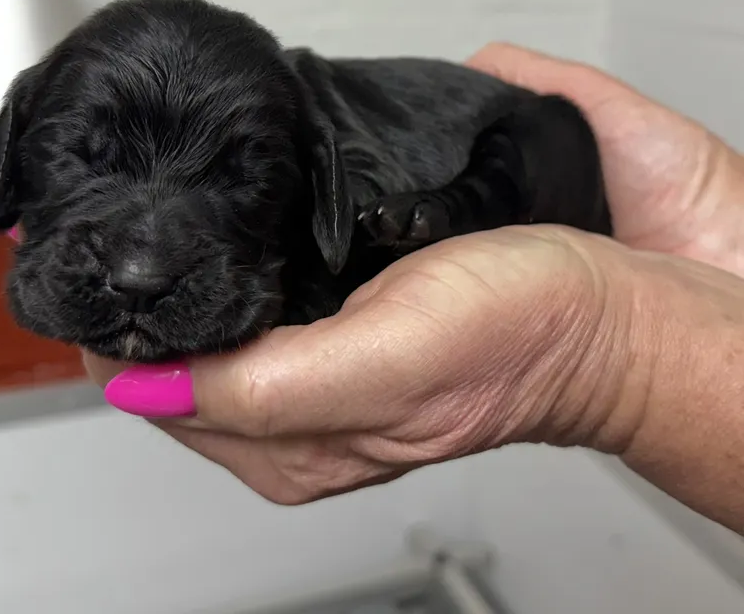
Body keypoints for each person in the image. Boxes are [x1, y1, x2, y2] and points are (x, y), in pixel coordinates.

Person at [83, 43, 744, 536]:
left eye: (242, 177)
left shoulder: (314, 137)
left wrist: (610, 358)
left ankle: (463, 205)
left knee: (550, 126)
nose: (140, 269)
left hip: (539, 185)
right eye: (80, 159)